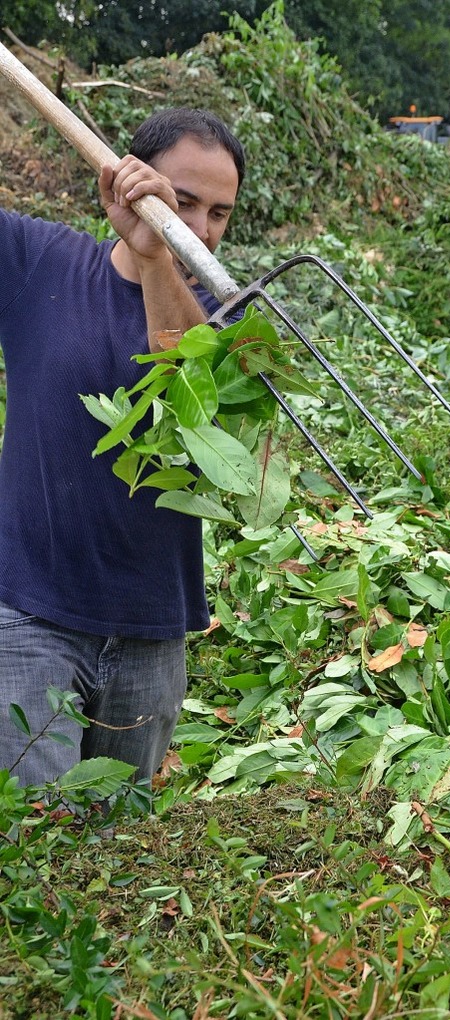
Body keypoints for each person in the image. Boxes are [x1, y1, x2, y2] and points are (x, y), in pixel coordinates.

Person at [0, 107, 245, 787]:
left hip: (151, 633)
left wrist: (156, 255)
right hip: (30, 616)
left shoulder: (227, 314)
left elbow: (187, 390)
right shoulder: (36, 263)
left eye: (219, 213)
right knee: (36, 849)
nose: (199, 227)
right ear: (127, 184)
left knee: (117, 861)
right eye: (183, 201)